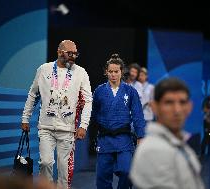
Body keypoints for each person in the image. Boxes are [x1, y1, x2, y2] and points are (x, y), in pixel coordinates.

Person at [21, 40, 92, 188]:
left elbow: (88, 100)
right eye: (70, 53)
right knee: (46, 162)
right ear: (60, 52)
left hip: (68, 129)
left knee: (63, 169)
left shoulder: (81, 72)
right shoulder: (44, 69)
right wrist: (25, 118)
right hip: (46, 127)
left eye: (75, 54)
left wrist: (83, 125)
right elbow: (33, 94)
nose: (73, 56)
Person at [130, 77, 205, 189]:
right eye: (169, 102)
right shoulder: (153, 150)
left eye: (182, 102)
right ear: (154, 107)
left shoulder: (180, 144)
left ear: (189, 107)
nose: (177, 110)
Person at [92, 54, 145, 189]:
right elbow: (93, 114)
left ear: (122, 72)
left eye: (116, 71)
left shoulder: (130, 91)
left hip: (124, 138)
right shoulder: (99, 91)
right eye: (110, 72)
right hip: (105, 139)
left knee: (127, 172)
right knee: (102, 178)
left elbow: (138, 114)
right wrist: (93, 134)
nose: (113, 75)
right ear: (106, 72)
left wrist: (140, 136)